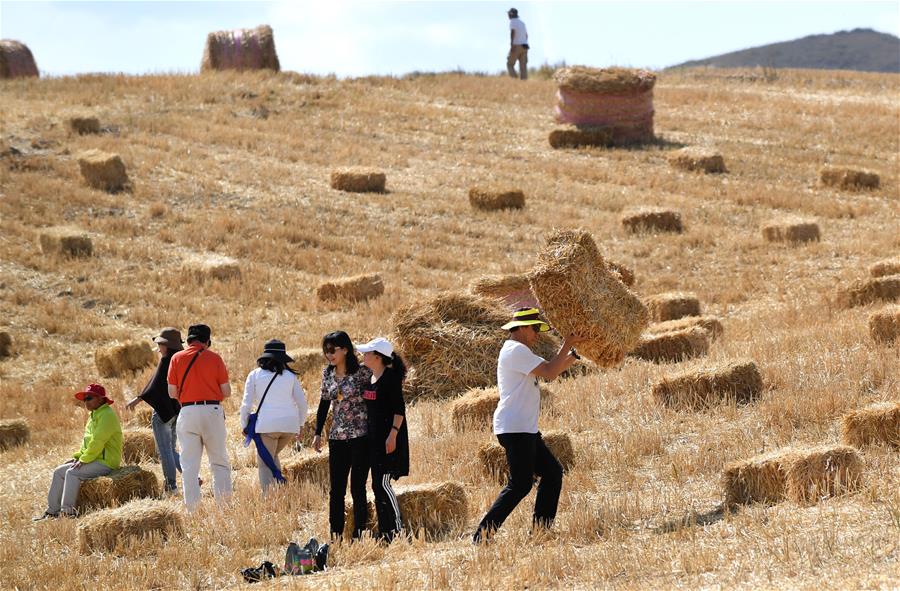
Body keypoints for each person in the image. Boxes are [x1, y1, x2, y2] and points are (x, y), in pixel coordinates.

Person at [473, 308, 586, 543]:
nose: (537, 333)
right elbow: (549, 370)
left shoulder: (518, 351)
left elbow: (552, 373)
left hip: (524, 428)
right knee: (520, 484)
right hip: (516, 428)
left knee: (552, 473)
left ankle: (541, 531)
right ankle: (482, 535)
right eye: (535, 328)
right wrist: (567, 343)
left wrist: (572, 356)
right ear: (523, 327)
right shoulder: (516, 350)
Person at [312, 331, 373, 540]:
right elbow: (324, 403)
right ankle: (335, 534)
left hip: (360, 436)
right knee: (336, 490)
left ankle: (359, 533)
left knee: (358, 487)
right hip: (337, 437)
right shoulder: (327, 374)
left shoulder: (363, 373)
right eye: (325, 351)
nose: (329, 355)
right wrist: (317, 432)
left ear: (345, 349)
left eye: (332, 350)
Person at [167, 323, 232, 512]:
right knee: (219, 461)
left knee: (189, 465)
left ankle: (193, 511)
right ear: (207, 341)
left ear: (188, 340)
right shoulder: (215, 358)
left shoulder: (176, 358)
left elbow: (172, 392)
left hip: (187, 412)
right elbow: (226, 391)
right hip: (212, 410)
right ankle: (224, 508)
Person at [34, 383, 122, 520]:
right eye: (84, 398)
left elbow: (97, 442)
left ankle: (67, 513)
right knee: (58, 472)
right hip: (94, 459)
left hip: (106, 461)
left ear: (100, 399)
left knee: (72, 473)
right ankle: (52, 512)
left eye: (89, 398)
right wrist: (78, 457)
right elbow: (86, 442)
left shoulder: (107, 416)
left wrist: (84, 460)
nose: (85, 401)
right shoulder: (93, 416)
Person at [239, 339, 308, 493]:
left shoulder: (255, 375)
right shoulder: (290, 376)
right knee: (272, 457)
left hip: (267, 426)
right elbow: (303, 404)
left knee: (264, 463)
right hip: (289, 427)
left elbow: (246, 404)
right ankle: (280, 492)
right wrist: (300, 425)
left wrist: (244, 424)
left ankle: (268, 499)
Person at [357, 337, 408, 542]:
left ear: (377, 357)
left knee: (383, 484)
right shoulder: (371, 378)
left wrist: (393, 435)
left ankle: (397, 528)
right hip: (374, 439)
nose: (364, 355)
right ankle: (385, 532)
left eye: (367, 353)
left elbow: (399, 410)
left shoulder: (390, 379)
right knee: (376, 486)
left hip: (389, 439)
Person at [125, 327, 183, 494]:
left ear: (167, 345)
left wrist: (137, 399)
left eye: (160, 344)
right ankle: (191, 477)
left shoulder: (166, 361)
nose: (158, 347)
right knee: (172, 450)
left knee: (164, 451)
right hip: (177, 411)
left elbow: (154, 386)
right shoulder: (179, 360)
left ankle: (171, 486)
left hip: (163, 414)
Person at [507, 7, 529, 80]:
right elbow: (526, 35)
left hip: (516, 45)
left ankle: (515, 80)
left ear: (511, 14)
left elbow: (513, 33)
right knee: (523, 67)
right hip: (525, 46)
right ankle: (524, 83)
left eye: (509, 14)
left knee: (509, 64)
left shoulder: (512, 21)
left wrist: (512, 45)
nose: (508, 15)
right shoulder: (522, 23)